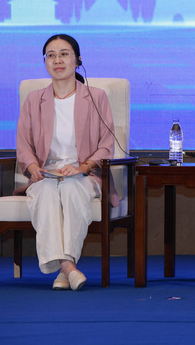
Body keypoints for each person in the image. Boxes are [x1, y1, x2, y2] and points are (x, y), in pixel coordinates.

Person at [14, 34, 118, 291]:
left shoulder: (96, 97)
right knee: (48, 192)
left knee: (71, 188)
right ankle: (68, 268)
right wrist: (33, 168)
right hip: (46, 174)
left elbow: (106, 145)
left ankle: (64, 268)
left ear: (78, 60)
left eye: (64, 54)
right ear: (45, 62)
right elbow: (24, 145)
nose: (57, 60)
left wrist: (83, 167)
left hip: (85, 174)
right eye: (51, 55)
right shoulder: (34, 100)